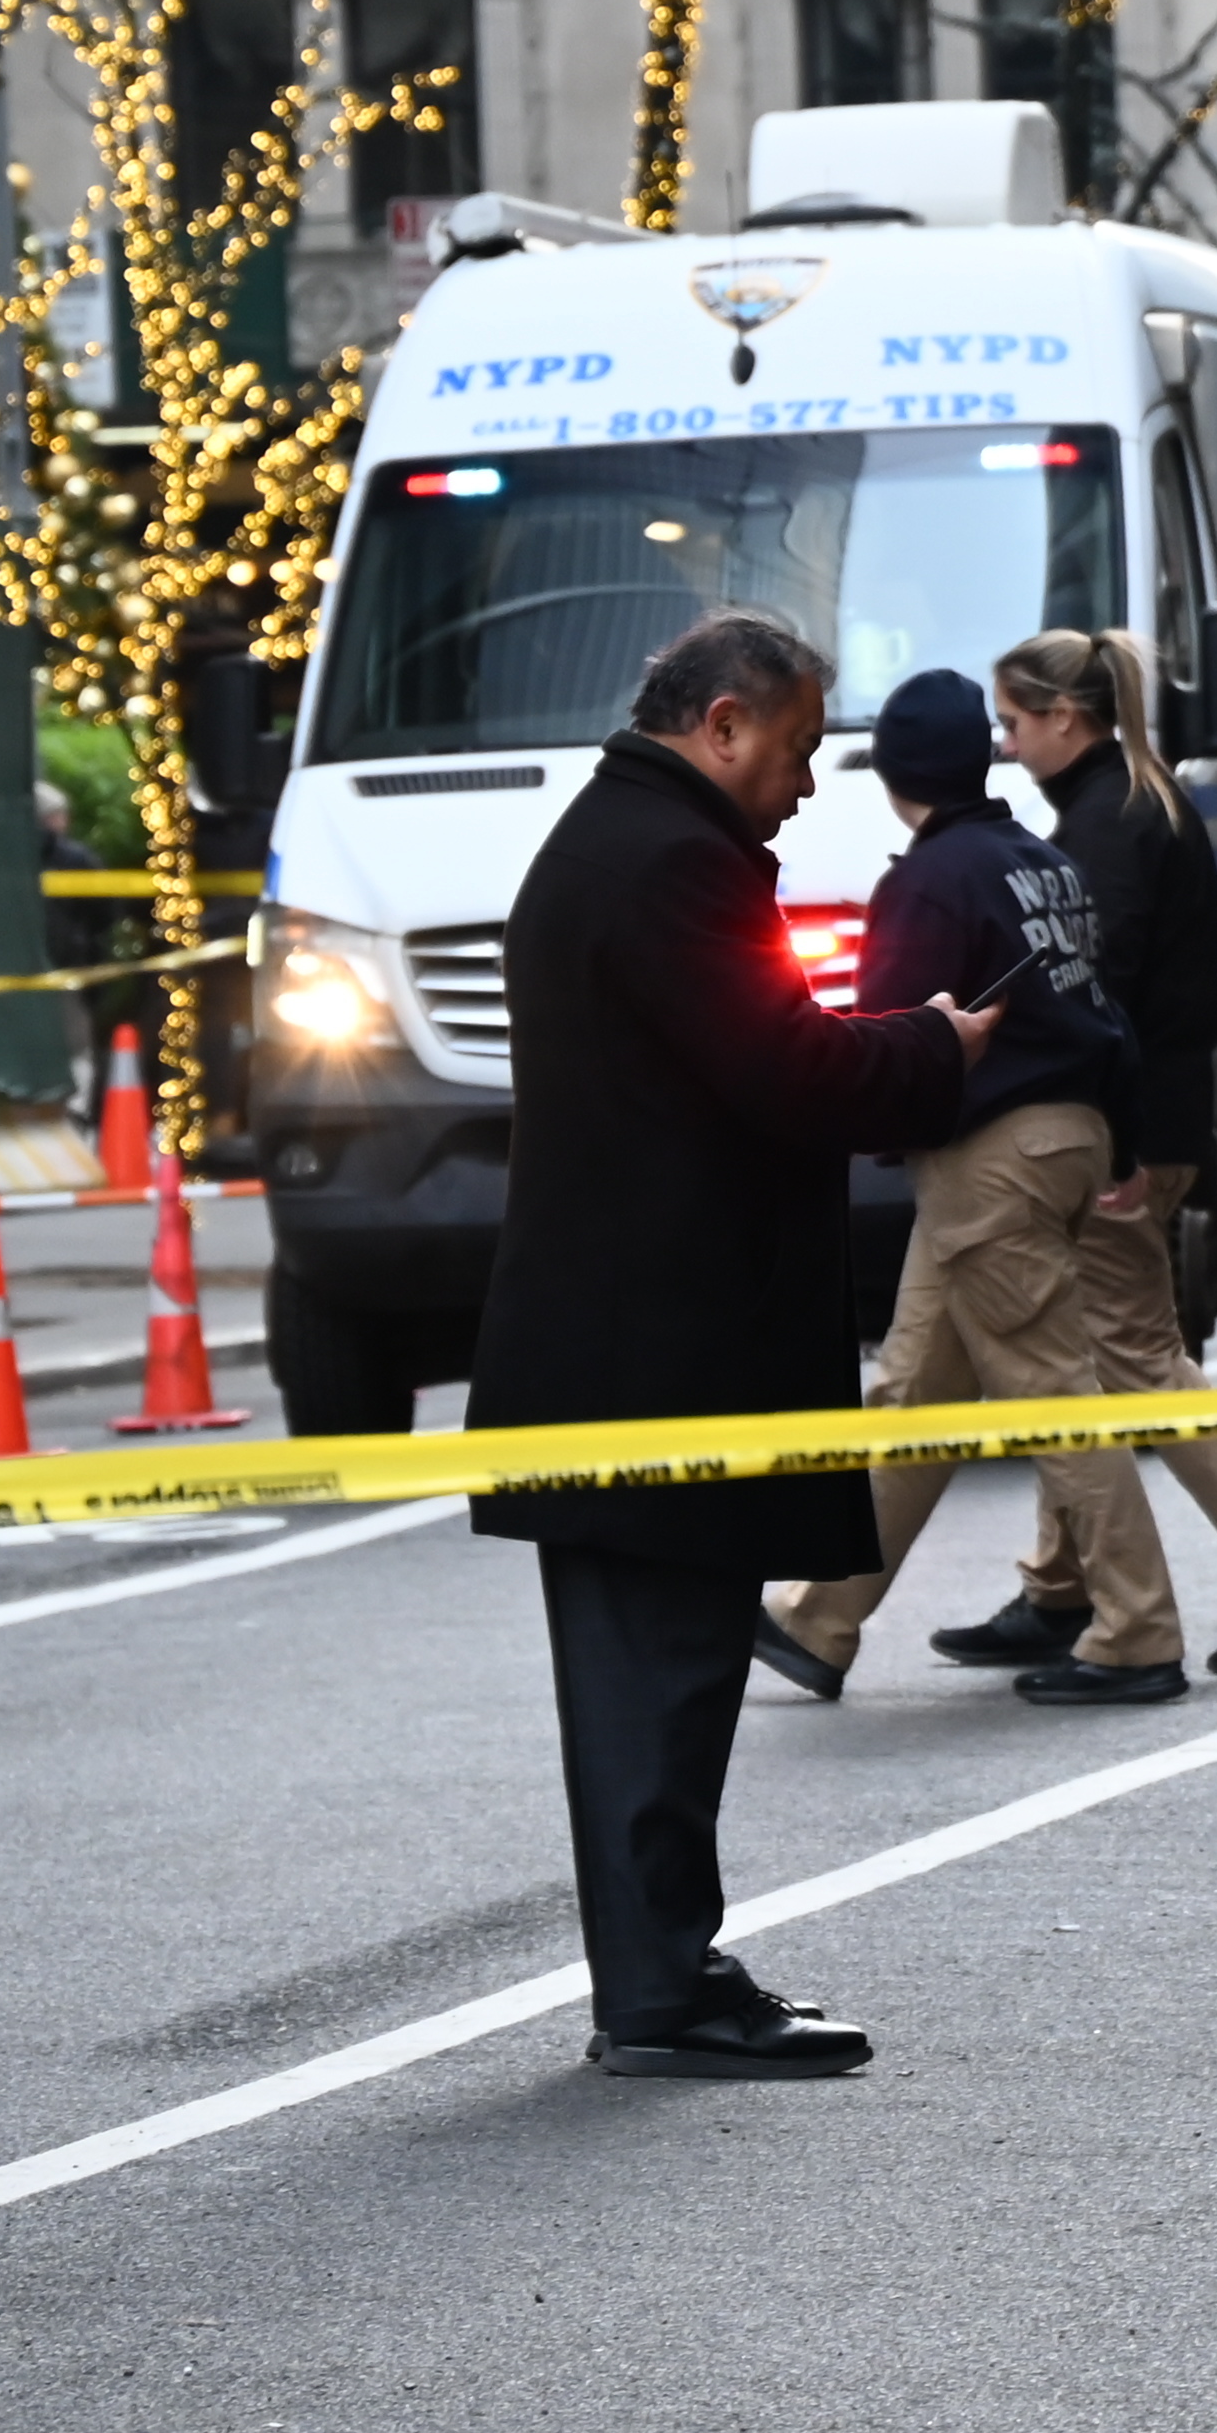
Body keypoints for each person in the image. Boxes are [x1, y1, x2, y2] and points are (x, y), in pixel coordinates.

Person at [473, 610, 981, 2080]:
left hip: (632, 1338)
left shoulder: (621, 840)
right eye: (801, 748)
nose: (809, 783)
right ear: (724, 726)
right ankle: (660, 1988)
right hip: (656, 1349)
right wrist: (940, 1046)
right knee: (661, 1682)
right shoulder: (674, 865)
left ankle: (665, 1970)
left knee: (663, 1677)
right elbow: (786, 1068)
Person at [857, 629, 1217, 1691]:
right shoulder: (1130, 804)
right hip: (1127, 1123)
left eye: (1017, 720)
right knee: (1070, 1355)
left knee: (1120, 1363)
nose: (1006, 740)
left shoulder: (1103, 823)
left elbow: (1095, 991)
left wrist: (1120, 1135)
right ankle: (1059, 1588)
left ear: (1064, 720)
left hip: (1105, 1126)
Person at [753, 668, 1182, 1705]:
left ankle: (1138, 1628)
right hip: (1071, 1136)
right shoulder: (1047, 864)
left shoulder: (929, 882)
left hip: (989, 1157)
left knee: (1054, 1398)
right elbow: (1108, 1012)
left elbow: (898, 1039)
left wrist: (845, 1130)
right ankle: (821, 1615)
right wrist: (1121, 1141)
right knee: (913, 1392)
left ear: (896, 770)